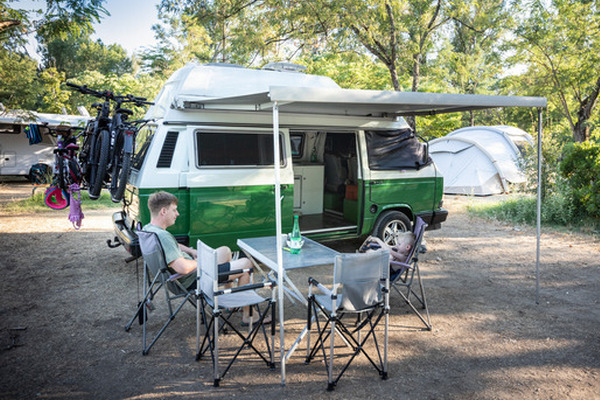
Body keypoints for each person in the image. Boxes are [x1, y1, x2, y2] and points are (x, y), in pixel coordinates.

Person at [143, 191, 270, 325]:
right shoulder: (163, 236)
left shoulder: (150, 229)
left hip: (183, 277)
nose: (177, 214)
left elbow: (173, 246)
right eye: (174, 210)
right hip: (194, 279)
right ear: (163, 211)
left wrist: (192, 251)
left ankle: (231, 303)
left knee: (225, 251)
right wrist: (202, 261)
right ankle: (249, 315)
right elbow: (183, 268)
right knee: (246, 264)